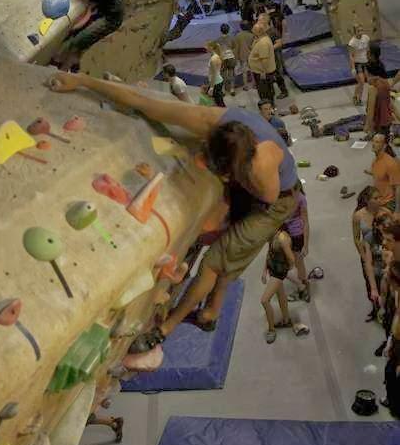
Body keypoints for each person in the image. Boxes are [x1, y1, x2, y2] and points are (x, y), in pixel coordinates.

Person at [47, 71, 300, 351]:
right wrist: (83, 81)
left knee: (214, 262)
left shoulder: (261, 167)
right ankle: (211, 312)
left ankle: (166, 328)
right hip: (250, 183)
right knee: (228, 252)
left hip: (275, 202)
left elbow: (267, 198)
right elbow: (143, 102)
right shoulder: (212, 120)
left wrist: (229, 199)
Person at [261, 227, 309, 344]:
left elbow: (291, 260)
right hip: (273, 269)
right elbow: (269, 252)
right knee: (281, 295)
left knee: (264, 300)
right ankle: (286, 319)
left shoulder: (283, 239)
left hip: (278, 273)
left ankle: (271, 330)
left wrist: (282, 270)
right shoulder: (272, 234)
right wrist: (265, 270)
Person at [352, 186, 383, 318]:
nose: (379, 200)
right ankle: (375, 308)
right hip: (367, 253)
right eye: (376, 198)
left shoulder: (385, 213)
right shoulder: (358, 216)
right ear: (367, 200)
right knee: (370, 281)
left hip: (382, 253)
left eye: (380, 197)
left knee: (383, 282)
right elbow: (356, 237)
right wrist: (363, 255)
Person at [284, 188, 310, 301]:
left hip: (296, 235)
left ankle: (302, 288)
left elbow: (306, 222)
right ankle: (303, 287)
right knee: (297, 263)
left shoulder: (300, 198)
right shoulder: (282, 196)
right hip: (285, 234)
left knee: (297, 264)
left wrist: (306, 245)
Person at [382, 260, 400, 416]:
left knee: (395, 373)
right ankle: (392, 401)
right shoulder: (397, 293)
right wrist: (391, 339)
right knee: (390, 371)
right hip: (396, 339)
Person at [366, 133, 400, 211]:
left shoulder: (390, 163)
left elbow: (398, 187)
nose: (373, 144)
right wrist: (371, 173)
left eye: (377, 142)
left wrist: (397, 211)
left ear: (384, 146)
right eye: (373, 141)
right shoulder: (375, 161)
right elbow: (380, 176)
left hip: (389, 202)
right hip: (378, 199)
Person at [248, 23, 276, 103]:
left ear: (258, 32)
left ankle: (268, 106)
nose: (252, 31)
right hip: (260, 71)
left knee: (265, 92)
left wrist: (263, 73)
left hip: (262, 72)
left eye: (253, 29)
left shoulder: (263, 43)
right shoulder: (260, 39)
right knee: (265, 90)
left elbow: (265, 60)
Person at [348, 24, 370, 106]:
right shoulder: (352, 42)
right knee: (361, 82)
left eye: (361, 30)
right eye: (358, 31)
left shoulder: (366, 38)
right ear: (355, 32)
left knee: (368, 80)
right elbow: (351, 56)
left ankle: (354, 96)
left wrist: (370, 60)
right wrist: (353, 68)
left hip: (366, 62)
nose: (361, 32)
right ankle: (359, 99)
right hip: (358, 63)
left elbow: (368, 50)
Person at [232, 22, 254, 91]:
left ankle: (246, 86)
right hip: (251, 55)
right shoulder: (251, 35)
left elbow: (236, 48)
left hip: (242, 56)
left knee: (244, 72)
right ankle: (254, 84)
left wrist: (236, 57)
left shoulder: (238, 36)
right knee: (252, 70)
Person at [217, 24, 236, 96]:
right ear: (228, 30)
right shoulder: (232, 39)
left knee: (223, 74)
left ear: (221, 30)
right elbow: (234, 47)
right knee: (231, 73)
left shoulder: (218, 40)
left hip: (222, 58)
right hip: (231, 57)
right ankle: (232, 89)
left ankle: (223, 90)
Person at [206, 41, 226, 107]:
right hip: (217, 81)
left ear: (211, 47)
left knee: (219, 103)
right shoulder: (216, 56)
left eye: (207, 46)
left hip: (216, 82)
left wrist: (211, 87)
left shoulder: (213, 59)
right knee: (217, 101)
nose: (205, 48)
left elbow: (214, 74)